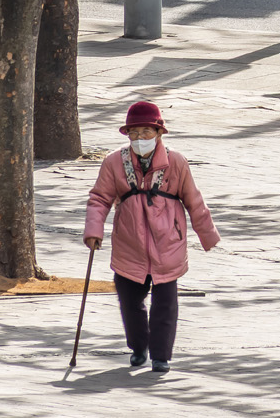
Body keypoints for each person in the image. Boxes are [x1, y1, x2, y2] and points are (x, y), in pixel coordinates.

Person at [83, 101, 219, 374]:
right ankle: (138, 347)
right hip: (129, 242)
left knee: (165, 304)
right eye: (134, 132)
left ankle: (160, 356)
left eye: (146, 131)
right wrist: (93, 230)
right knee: (129, 300)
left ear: (159, 133)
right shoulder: (114, 162)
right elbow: (100, 198)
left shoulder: (176, 161)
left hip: (168, 241)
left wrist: (207, 235)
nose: (139, 138)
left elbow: (194, 200)